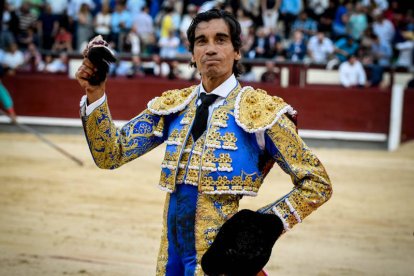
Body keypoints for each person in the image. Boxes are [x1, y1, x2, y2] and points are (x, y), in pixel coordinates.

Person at [76, 9, 332, 275]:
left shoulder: (260, 112)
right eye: (202, 41)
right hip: (170, 258)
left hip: (221, 258)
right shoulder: (174, 106)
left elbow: (317, 183)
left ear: (237, 51)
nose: (211, 49)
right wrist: (95, 93)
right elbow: (110, 154)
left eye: (220, 39)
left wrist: (266, 225)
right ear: (192, 54)